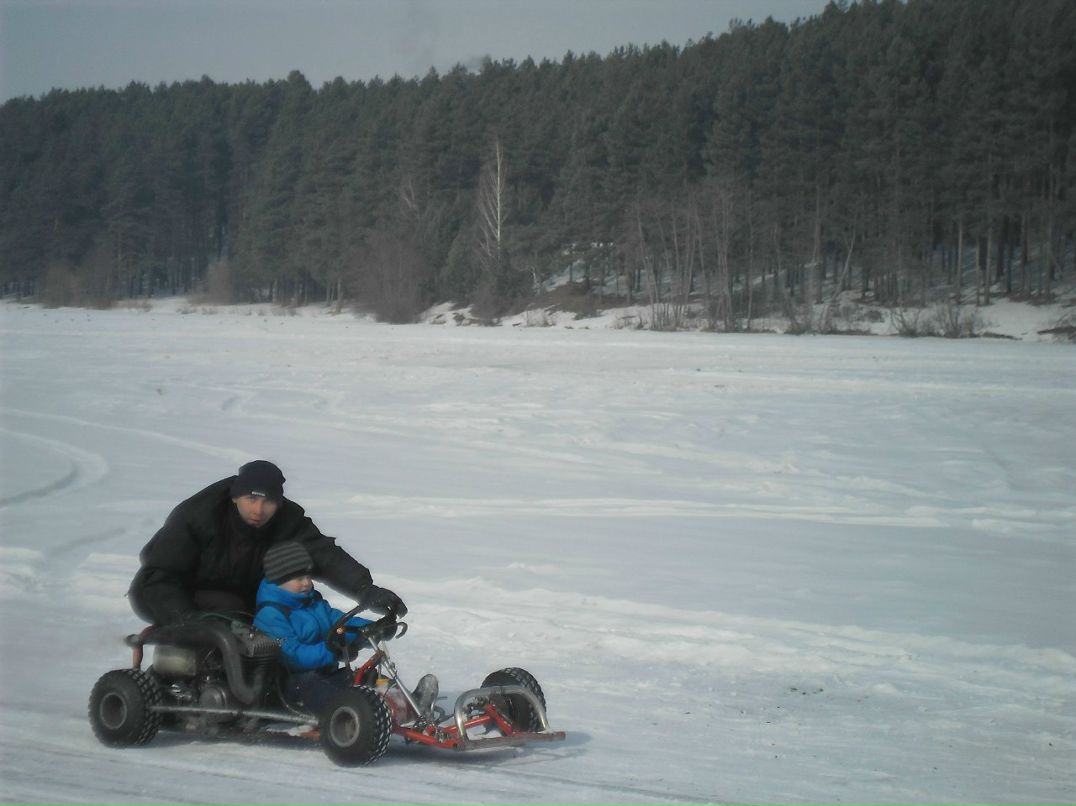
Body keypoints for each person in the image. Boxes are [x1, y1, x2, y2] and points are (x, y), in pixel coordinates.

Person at [128, 460, 405, 626]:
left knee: (300, 616)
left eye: (268, 501)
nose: (259, 510)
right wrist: (184, 619)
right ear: (236, 497)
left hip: (240, 599)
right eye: (251, 499)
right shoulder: (199, 515)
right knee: (234, 616)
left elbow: (322, 553)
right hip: (173, 595)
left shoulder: (287, 520)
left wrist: (365, 589)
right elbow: (159, 575)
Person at [253, 541, 437, 714]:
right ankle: (373, 711)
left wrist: (371, 628)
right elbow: (293, 655)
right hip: (293, 684)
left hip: (326, 672)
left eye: (308, 576)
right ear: (278, 580)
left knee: (366, 678)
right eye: (299, 578)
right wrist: (332, 652)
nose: (306, 583)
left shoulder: (312, 602)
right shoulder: (272, 614)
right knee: (332, 691)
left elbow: (339, 623)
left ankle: (406, 704)